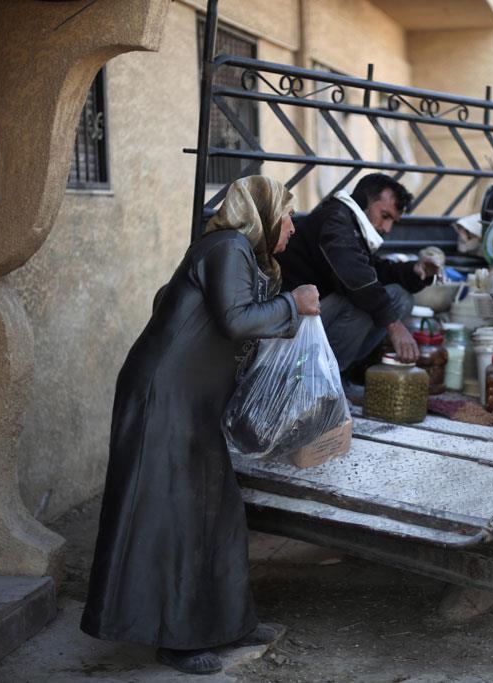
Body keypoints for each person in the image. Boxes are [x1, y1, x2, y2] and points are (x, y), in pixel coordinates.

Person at [80, 176, 320, 676]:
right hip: (163, 396)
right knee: (172, 514)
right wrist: (292, 305)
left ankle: (229, 622)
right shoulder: (227, 246)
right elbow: (235, 319)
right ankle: (176, 636)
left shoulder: (237, 253)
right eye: (289, 215)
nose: (293, 228)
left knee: (219, 510)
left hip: (194, 400)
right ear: (264, 214)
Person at [276, 173, 440, 376]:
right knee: (362, 302)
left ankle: (340, 374)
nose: (387, 228)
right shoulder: (336, 219)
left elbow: (374, 270)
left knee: (400, 297)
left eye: (393, 222)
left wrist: (414, 272)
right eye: (385, 216)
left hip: (316, 315)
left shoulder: (353, 226)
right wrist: (394, 325)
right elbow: (356, 276)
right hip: (289, 322)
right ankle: (323, 378)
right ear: (363, 202)